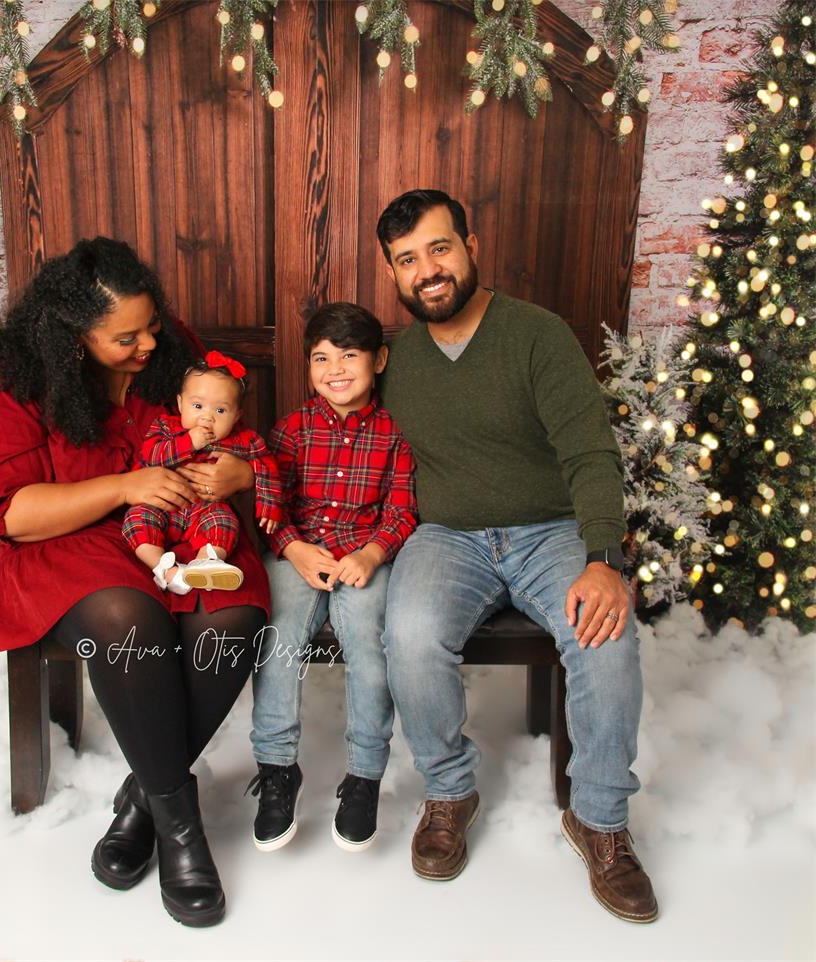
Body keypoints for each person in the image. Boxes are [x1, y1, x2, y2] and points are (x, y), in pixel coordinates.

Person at [0, 237, 269, 928]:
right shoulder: (16, 378)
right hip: (70, 541)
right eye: (124, 337)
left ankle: (142, 799)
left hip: (185, 527)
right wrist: (124, 485)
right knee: (126, 622)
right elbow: (7, 512)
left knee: (233, 620)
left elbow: (230, 427)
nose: (146, 346)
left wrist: (240, 473)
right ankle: (182, 829)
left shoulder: (166, 350)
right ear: (70, 334)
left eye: (152, 327)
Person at [375, 189, 657, 923]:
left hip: (548, 529)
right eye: (407, 260)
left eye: (439, 248)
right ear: (394, 275)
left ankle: (598, 818)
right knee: (406, 634)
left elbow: (592, 451)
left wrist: (603, 556)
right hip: (447, 536)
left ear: (470, 245)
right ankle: (448, 792)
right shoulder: (393, 357)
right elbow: (334, 424)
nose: (426, 270)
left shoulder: (536, 334)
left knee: (605, 636)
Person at [247, 302, 418, 854]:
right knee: (276, 639)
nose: (335, 369)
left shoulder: (396, 432)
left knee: (371, 644)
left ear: (379, 360)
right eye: (322, 358)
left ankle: (364, 775)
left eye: (349, 355)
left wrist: (372, 554)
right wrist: (291, 547)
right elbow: (270, 503)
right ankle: (277, 769)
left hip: (362, 558)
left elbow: (402, 510)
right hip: (300, 555)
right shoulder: (292, 429)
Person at [122, 350, 284, 594]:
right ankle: (165, 571)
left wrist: (269, 505)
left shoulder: (244, 440)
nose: (207, 417)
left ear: (236, 415)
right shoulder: (166, 427)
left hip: (205, 509)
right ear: (180, 404)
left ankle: (207, 562)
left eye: (220, 411)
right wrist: (189, 442)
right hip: (162, 504)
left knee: (225, 522)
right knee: (136, 519)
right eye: (197, 406)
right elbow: (150, 456)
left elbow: (266, 466)